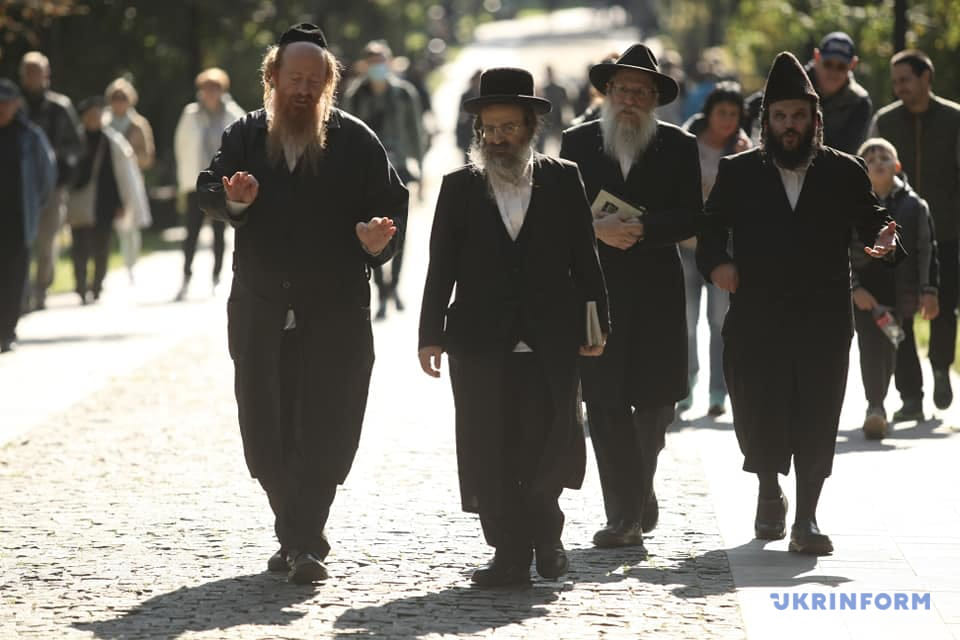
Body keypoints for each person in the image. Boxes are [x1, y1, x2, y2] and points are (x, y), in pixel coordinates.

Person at [197, 24, 408, 585]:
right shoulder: (244, 135)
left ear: (329, 84)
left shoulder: (356, 140)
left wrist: (377, 242)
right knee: (266, 427)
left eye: (315, 81)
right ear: (272, 78)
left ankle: (301, 540)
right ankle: (299, 537)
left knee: (326, 423)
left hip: (335, 310)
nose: (304, 90)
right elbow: (209, 189)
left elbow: (392, 206)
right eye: (294, 78)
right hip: (262, 308)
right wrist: (234, 203)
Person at [697, 52, 899, 555]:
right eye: (781, 116)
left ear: (815, 120)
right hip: (756, 317)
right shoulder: (738, 171)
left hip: (822, 318)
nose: (790, 125)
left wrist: (885, 241)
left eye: (799, 116)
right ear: (766, 121)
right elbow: (710, 229)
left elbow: (873, 219)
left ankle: (806, 517)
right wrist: (718, 264)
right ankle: (769, 489)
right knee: (758, 410)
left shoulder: (844, 170)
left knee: (817, 413)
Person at [418, 67, 609, 587]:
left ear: (530, 126)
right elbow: (441, 265)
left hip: (551, 335)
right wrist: (430, 334)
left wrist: (597, 323)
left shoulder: (563, 178)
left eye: (509, 127)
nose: (499, 138)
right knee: (490, 444)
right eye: (490, 128)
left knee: (550, 439)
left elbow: (585, 260)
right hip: (480, 338)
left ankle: (547, 537)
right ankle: (508, 553)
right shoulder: (459, 187)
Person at [560, 44, 702, 554]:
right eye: (622, 90)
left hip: (658, 290)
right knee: (604, 402)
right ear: (607, 93)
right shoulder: (577, 142)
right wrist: (594, 230)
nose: (630, 100)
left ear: (654, 99)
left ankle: (639, 487)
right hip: (596, 290)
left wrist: (643, 228)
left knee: (657, 405)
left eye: (641, 92)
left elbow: (692, 216)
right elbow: (561, 213)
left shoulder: (679, 146)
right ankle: (622, 514)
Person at [870, 49, 960, 413]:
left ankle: (940, 368)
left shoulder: (954, 119)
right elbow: (866, 170)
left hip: (948, 233)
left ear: (926, 77)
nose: (899, 88)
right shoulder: (885, 121)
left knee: (945, 306)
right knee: (899, 313)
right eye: (895, 82)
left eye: (905, 80)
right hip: (896, 235)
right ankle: (910, 396)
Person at [851, 137, 939, 438]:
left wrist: (928, 290)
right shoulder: (853, 207)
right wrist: (854, 287)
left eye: (884, 157)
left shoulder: (914, 206)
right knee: (870, 348)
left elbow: (926, 250)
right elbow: (840, 251)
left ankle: (908, 398)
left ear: (897, 166)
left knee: (895, 346)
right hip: (865, 294)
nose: (877, 162)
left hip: (900, 293)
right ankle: (875, 407)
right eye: (870, 159)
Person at [678, 81, 751, 416]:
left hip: (723, 251)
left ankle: (718, 391)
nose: (727, 120)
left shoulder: (743, 149)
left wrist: (744, 157)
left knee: (720, 321)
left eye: (734, 114)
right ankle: (686, 384)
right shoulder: (684, 142)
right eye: (722, 112)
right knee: (686, 320)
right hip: (685, 245)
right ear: (708, 113)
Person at [342, 40, 425, 320]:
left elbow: (416, 133)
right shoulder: (355, 95)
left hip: (399, 168)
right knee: (373, 231)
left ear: (389, 62)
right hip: (368, 173)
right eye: (372, 61)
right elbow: (346, 137)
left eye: (381, 61)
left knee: (398, 230)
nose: (377, 66)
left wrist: (420, 169)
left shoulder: (404, 94)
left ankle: (394, 286)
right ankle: (380, 290)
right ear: (365, 65)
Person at [66, 97, 150, 304]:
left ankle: (96, 285)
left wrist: (120, 204)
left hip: (105, 202)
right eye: (90, 116)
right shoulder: (75, 141)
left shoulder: (113, 142)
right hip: (79, 201)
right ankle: (80, 285)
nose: (93, 119)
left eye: (97, 115)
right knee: (80, 246)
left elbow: (121, 176)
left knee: (101, 247)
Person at [18, 51, 83, 311]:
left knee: (46, 241)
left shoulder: (60, 108)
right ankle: (21, 292)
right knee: (20, 242)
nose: (33, 77)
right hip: (18, 188)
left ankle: (41, 289)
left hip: (53, 187)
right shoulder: (12, 106)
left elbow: (76, 147)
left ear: (46, 74)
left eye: (37, 72)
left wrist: (60, 166)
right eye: (28, 72)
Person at [174, 67, 245, 301]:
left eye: (215, 88)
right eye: (207, 88)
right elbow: (180, 147)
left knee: (218, 232)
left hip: (222, 181)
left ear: (222, 90)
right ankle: (186, 276)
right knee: (191, 232)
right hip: (195, 182)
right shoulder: (190, 114)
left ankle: (216, 277)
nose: (211, 92)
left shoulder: (234, 114)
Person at [743, 32, 872, 155]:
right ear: (816, 57)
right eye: (828, 64)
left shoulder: (859, 101)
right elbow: (746, 109)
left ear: (853, 64)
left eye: (841, 66)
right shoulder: (792, 82)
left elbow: (849, 151)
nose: (833, 72)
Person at [0, 79, 55, 353]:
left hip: (18, 219)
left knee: (14, 277)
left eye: (5, 103)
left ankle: (7, 330)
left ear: (16, 105)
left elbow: (47, 176)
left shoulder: (30, 136)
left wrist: (35, 205)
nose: (1, 108)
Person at [103, 77, 153, 280]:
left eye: (123, 98)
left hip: (131, 178)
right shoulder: (104, 123)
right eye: (115, 98)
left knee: (131, 223)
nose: (119, 102)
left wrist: (129, 155)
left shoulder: (138, 125)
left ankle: (131, 263)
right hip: (108, 179)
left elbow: (147, 157)